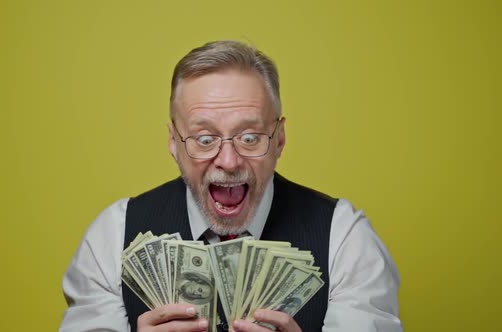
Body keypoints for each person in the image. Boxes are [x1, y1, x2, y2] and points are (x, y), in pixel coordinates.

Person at [60, 40, 402, 332]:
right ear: (174, 143)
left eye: (250, 137)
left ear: (279, 139)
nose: (229, 160)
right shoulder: (113, 236)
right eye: (204, 138)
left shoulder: (345, 239)